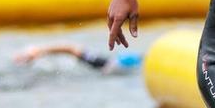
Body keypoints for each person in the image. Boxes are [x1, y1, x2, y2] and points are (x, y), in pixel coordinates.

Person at [11, 43, 143, 73]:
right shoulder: (104, 64)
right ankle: (35, 52)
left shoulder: (105, 64)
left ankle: (35, 52)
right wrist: (40, 51)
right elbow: (71, 50)